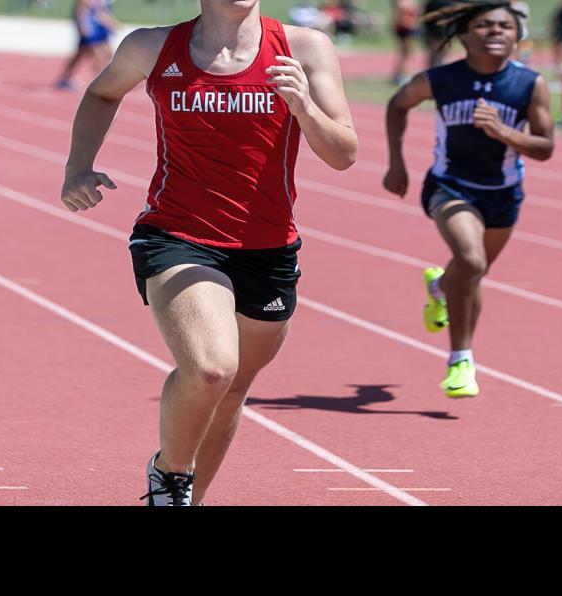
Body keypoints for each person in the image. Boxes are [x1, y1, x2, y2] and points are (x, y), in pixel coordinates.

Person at [59, 0, 359, 505]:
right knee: (212, 367)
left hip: (268, 247)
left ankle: (185, 499)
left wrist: (304, 106)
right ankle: (170, 474)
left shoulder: (305, 48)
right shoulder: (151, 46)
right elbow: (100, 93)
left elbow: (344, 154)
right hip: (177, 234)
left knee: (230, 390)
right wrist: (78, 167)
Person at [381, 1, 554, 399]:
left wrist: (505, 133)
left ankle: (441, 287)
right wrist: (396, 164)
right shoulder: (441, 79)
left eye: (504, 26)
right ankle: (461, 361)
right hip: (450, 186)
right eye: (484, 25)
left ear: (517, 37)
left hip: (504, 193)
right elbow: (398, 104)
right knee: (472, 261)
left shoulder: (530, 84)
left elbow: (545, 148)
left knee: (472, 273)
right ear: (464, 35)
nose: (495, 32)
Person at [54, 0, 121, 90]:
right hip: (89, 26)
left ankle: (65, 78)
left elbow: (100, 11)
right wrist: (82, 26)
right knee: (96, 53)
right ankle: (101, 81)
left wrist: (110, 22)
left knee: (89, 53)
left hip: (96, 25)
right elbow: (81, 10)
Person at [391, 0, 419, 82]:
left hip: (409, 27)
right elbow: (399, 15)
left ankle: (401, 74)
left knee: (408, 53)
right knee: (405, 53)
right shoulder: (400, 2)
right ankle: (399, 75)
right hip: (404, 28)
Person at [422, 0, 453, 67]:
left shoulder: (433, 3)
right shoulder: (447, 3)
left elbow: (425, 19)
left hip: (437, 34)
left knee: (436, 57)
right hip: (438, 34)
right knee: (437, 57)